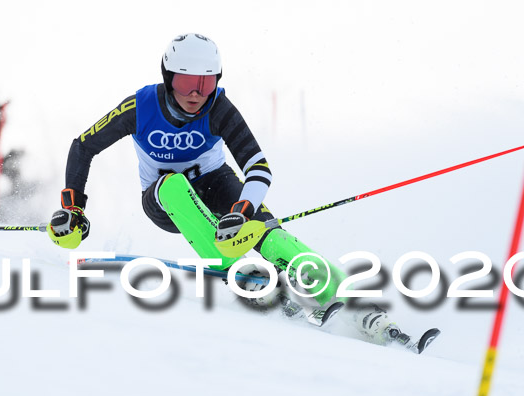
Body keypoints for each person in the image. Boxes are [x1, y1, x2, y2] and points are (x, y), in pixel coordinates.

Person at [48, 33, 433, 351]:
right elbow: (83, 145)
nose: (196, 93)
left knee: (272, 236)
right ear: (168, 77)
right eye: (185, 82)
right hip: (163, 199)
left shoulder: (219, 107)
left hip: (217, 184)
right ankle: (238, 271)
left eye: (206, 83)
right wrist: (73, 207)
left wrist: (243, 210)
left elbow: (258, 167)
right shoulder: (141, 105)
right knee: (174, 184)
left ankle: (352, 304)